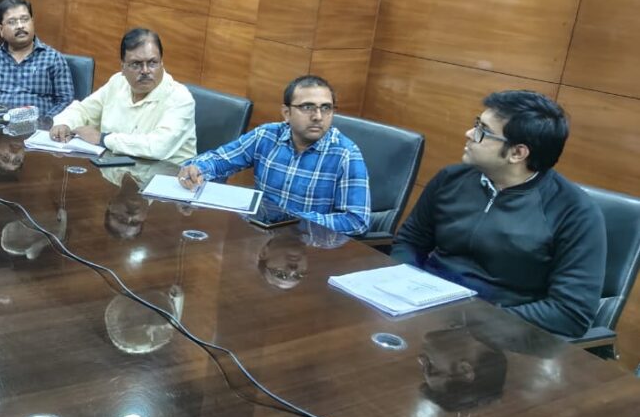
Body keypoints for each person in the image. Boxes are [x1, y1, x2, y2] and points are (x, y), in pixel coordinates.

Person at [391, 90, 606, 338]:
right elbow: (410, 241)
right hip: (422, 311)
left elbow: (570, 313)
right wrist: (403, 285)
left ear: (517, 153)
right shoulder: (451, 179)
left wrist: (476, 319)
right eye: (476, 124)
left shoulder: (575, 212)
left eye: (483, 131)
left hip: (502, 335)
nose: (469, 134)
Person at [177, 75, 371, 236]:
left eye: (326, 108)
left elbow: (357, 221)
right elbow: (220, 160)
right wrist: (197, 168)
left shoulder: (346, 154)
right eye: (307, 107)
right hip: (259, 238)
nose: (318, 116)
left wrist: (294, 220)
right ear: (286, 113)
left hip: (309, 246)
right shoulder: (267, 136)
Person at [50, 28, 196, 164]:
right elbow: (84, 111)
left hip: (165, 177)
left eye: (152, 63)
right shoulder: (117, 83)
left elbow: (157, 147)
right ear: (123, 68)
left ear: (162, 63)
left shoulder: (180, 98)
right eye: (136, 64)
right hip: (117, 172)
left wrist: (103, 139)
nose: (145, 71)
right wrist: (64, 123)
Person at [0, 0, 75, 118]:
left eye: (25, 19)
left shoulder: (53, 58)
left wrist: (45, 122)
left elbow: (66, 101)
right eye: (12, 22)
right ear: (1, 30)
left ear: (32, 22)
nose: (20, 26)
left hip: (37, 126)